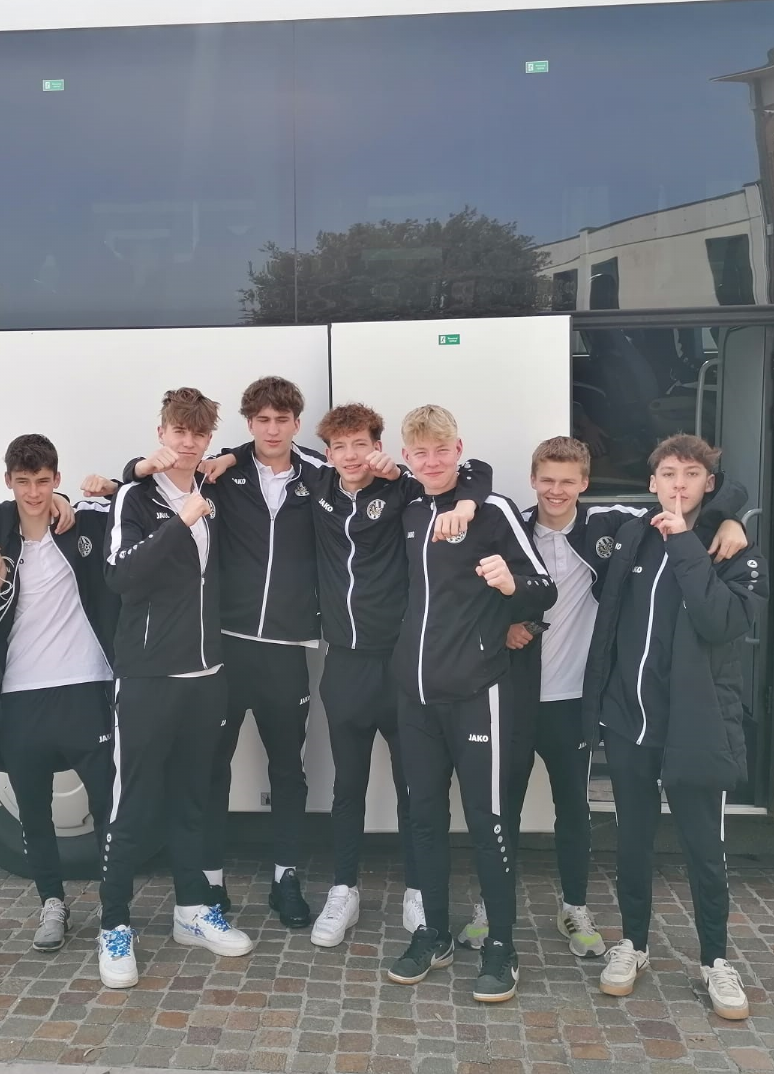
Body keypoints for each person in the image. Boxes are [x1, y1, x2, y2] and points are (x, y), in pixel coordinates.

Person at [472, 437, 748, 958]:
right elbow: (473, 592)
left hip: (576, 697)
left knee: (574, 810)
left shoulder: (610, 525)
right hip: (513, 694)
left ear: (585, 484)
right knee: (501, 808)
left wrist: (730, 517)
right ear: (532, 480)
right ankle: (492, 906)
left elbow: (691, 495)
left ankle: (575, 907)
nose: (556, 490)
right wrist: (506, 624)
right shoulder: (509, 528)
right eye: (547, 480)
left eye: (568, 481)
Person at [125, 376, 324, 928]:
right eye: (262, 420)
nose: (272, 430)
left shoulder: (319, 474)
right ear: (249, 424)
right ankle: (210, 880)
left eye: (282, 420)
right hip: (225, 648)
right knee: (212, 766)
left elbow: (401, 478)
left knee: (288, 770)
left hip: (286, 649)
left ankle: (286, 878)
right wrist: (126, 470)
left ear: (297, 423)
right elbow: (144, 482)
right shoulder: (220, 474)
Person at [583, 433, 768, 1020]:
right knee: (632, 844)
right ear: (652, 482)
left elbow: (719, 621)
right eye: (668, 474)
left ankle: (715, 960)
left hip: (698, 724)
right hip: (630, 722)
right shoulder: (632, 531)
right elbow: (564, 507)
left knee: (704, 850)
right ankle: (633, 944)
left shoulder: (732, 551)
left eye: (691, 474)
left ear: (709, 483)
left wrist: (702, 531)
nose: (679, 484)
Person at [302, 403, 492, 948]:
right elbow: (260, 457)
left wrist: (459, 497)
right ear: (328, 453)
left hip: (402, 666)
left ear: (378, 447)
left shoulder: (406, 489)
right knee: (348, 785)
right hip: (345, 664)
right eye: (340, 447)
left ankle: (418, 889)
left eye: (360, 444)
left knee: (416, 787)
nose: (350, 456)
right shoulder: (316, 487)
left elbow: (474, 472)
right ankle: (344, 889)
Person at [386, 405, 556, 1004]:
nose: (432, 461)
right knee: (424, 818)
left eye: (442, 450)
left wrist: (511, 586)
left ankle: (501, 945)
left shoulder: (493, 510)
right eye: (421, 453)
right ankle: (432, 933)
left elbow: (545, 589)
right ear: (408, 457)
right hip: (416, 697)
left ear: (459, 450)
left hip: (479, 695)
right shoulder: (409, 509)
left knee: (487, 822)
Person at [98, 387, 256, 989]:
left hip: (206, 676)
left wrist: (206, 494)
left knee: (193, 799)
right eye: (178, 431)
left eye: (198, 433)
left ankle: (193, 911)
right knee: (134, 805)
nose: (188, 443)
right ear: (161, 433)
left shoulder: (212, 491)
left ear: (208, 438)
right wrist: (178, 522)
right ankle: (114, 924)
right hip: (149, 677)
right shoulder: (135, 497)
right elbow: (121, 576)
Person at [0, 434, 117, 954]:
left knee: (108, 803)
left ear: (57, 479)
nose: (34, 493)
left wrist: (83, 495)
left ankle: (114, 904)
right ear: (8, 482)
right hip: (20, 692)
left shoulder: (81, 523)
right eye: (23, 482)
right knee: (34, 811)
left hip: (86, 682)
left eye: (44, 482)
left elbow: (142, 499)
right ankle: (51, 903)